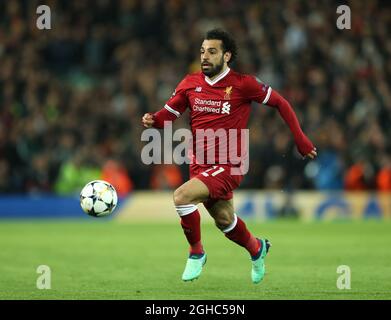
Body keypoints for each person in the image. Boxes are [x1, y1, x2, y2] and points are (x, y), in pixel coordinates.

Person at [142, 29, 317, 284]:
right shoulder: (190, 83)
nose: (205, 56)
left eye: (212, 52)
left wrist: (300, 139)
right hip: (199, 164)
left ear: (227, 55)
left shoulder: (243, 84)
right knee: (225, 221)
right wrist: (153, 120)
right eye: (202, 51)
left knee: (181, 197)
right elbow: (168, 115)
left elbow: (281, 102)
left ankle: (196, 253)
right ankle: (257, 249)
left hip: (229, 164)